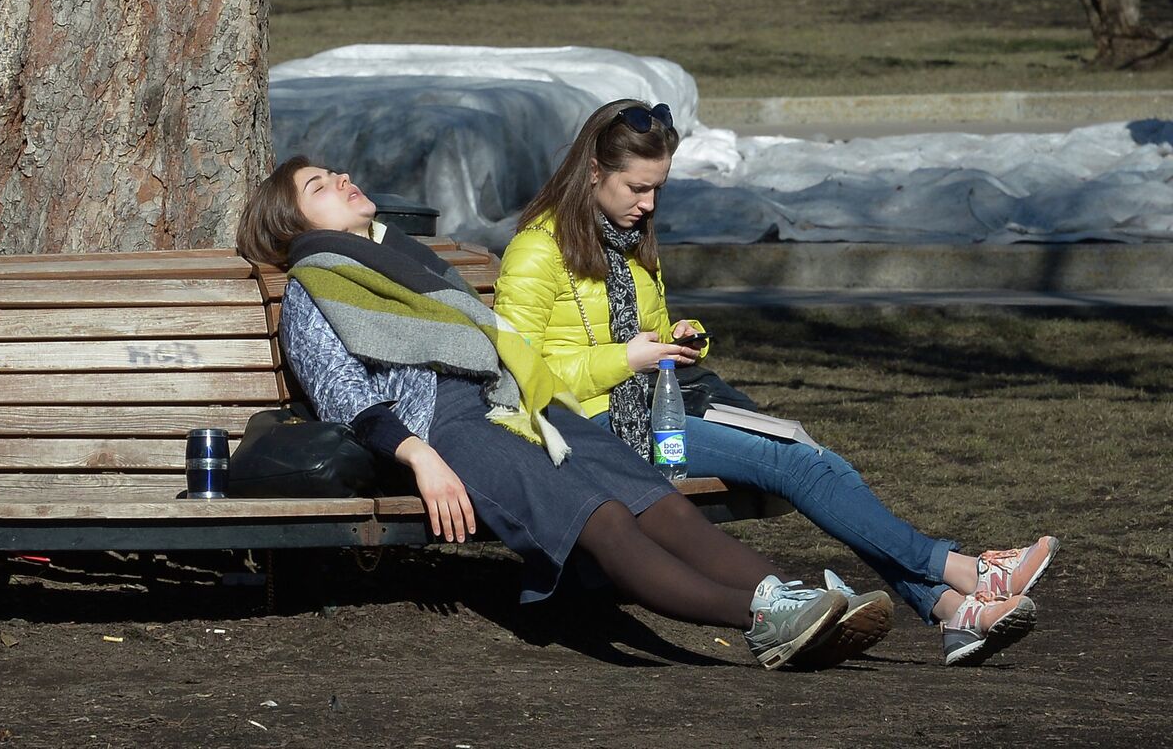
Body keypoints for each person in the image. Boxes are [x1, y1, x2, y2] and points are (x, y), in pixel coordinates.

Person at [239, 156, 873, 671]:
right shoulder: (311, 289)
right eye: (320, 186)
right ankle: (761, 622)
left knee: (653, 497)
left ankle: (787, 598)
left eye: (335, 171)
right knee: (601, 517)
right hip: (443, 428)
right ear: (293, 226)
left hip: (514, 401)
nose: (344, 180)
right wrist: (420, 456)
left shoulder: (404, 260)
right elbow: (342, 395)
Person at [494, 98, 1057, 667]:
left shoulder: (627, 244)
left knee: (811, 456)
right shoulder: (538, 250)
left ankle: (951, 608)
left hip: (654, 404)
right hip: (594, 427)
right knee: (800, 463)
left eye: (658, 189)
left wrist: (683, 338)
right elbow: (517, 372)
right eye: (638, 188)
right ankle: (961, 576)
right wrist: (624, 360)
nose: (649, 204)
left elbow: (649, 333)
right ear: (594, 172)